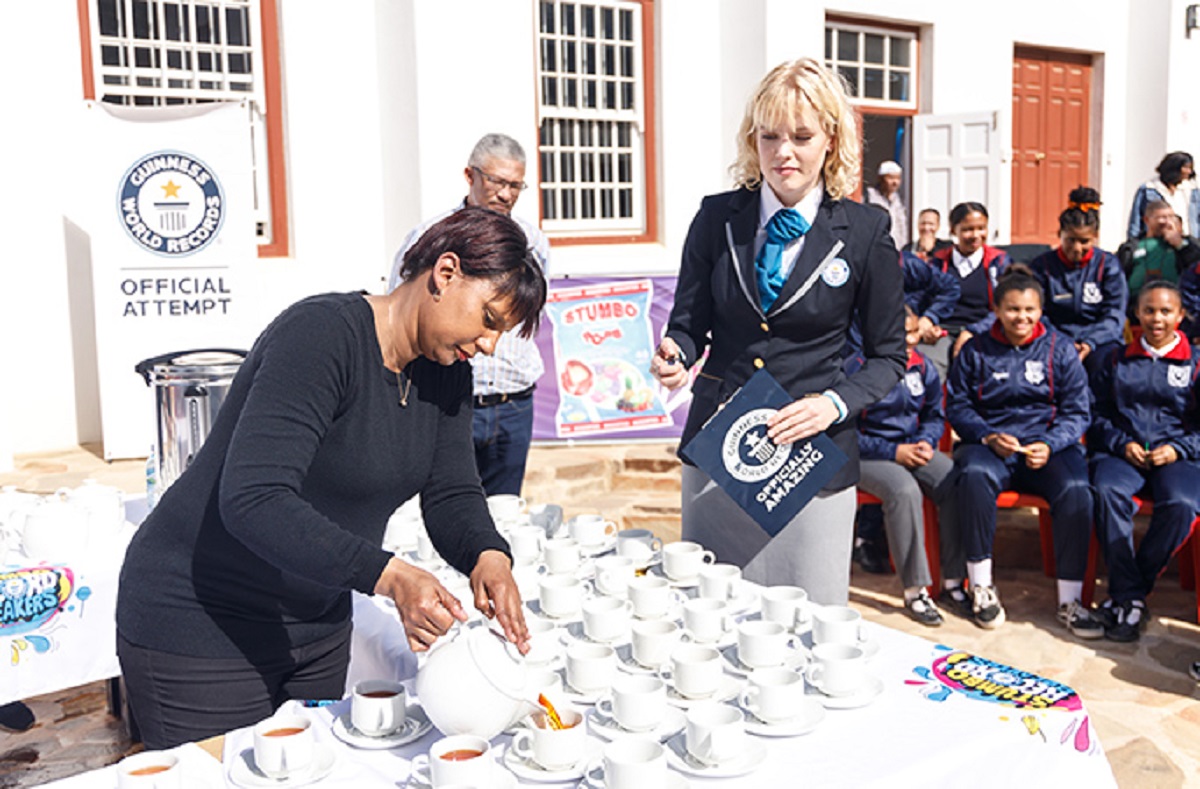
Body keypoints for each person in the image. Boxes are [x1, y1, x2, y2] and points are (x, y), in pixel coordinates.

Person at [117, 208, 543, 748]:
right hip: (202, 623)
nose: (489, 346)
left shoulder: (448, 374)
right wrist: (388, 575)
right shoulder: (321, 337)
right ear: (446, 272)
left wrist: (489, 556)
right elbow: (255, 498)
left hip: (314, 626)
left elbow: (452, 490)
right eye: (488, 319)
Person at [650, 58, 906, 606]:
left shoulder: (866, 231)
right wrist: (677, 352)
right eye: (769, 136)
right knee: (710, 620)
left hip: (813, 460)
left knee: (808, 632)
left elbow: (889, 358)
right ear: (752, 139)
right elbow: (690, 322)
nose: (783, 152)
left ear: (832, 140)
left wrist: (833, 405)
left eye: (801, 136)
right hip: (719, 449)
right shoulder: (716, 217)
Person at [943, 265, 1103, 638]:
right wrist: (986, 436)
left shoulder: (1059, 349)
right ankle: (981, 587)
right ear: (997, 310)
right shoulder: (976, 350)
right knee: (974, 476)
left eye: (1030, 310)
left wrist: (1050, 443)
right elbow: (958, 406)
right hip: (991, 445)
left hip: (1045, 444)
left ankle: (1071, 600)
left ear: (1041, 310)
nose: (1022, 318)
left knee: (1078, 488)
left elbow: (1078, 410)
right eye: (1013, 309)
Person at [388, 133, 550, 497]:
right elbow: (398, 306)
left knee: (504, 515)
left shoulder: (534, 242)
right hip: (448, 401)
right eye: (496, 182)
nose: (506, 194)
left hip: (513, 402)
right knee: (445, 505)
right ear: (470, 176)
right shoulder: (431, 235)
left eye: (515, 186)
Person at [1088, 281, 1200, 642]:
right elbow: (1096, 413)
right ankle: (1131, 600)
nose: (1157, 319)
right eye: (1149, 310)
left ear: (1181, 316)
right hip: (1125, 453)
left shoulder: (1195, 364)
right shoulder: (1115, 359)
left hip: (1177, 455)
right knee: (1106, 491)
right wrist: (1122, 444)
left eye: (1166, 311)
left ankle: (1130, 591)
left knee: (1183, 504)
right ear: (1136, 313)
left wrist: (1179, 449)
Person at [846, 306, 958, 625]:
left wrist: (926, 440)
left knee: (954, 479)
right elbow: (845, 433)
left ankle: (954, 581)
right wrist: (893, 451)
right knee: (904, 491)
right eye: (899, 333)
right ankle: (915, 590)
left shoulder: (923, 367)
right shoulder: (856, 368)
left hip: (914, 448)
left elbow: (935, 414)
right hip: (867, 456)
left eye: (911, 332)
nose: (907, 340)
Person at [1025, 187, 1127, 376]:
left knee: (1105, 363)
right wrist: (1063, 341)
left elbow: (1114, 315)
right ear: (1059, 234)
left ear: (1095, 237)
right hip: (1054, 338)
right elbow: (1038, 312)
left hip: (1100, 340)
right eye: (1070, 240)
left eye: (1084, 241)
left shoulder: (1109, 266)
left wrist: (1090, 342)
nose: (1076, 248)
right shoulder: (1042, 267)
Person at [921, 202, 1012, 381]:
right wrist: (927, 324)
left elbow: (1005, 306)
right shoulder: (938, 263)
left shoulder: (998, 262)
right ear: (954, 231)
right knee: (928, 371)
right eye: (968, 229)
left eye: (981, 228)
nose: (976, 235)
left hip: (984, 332)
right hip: (943, 333)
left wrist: (972, 331)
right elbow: (923, 299)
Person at [1127, 151, 1200, 240]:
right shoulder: (1149, 189)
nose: (1189, 172)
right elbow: (1136, 220)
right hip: (1157, 243)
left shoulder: (1192, 190)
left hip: (1186, 242)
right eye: (1186, 168)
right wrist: (1133, 244)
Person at [865, 160, 909, 251]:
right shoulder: (869, 197)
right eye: (891, 178)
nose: (895, 182)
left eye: (898, 178)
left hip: (897, 250)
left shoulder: (898, 200)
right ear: (881, 178)